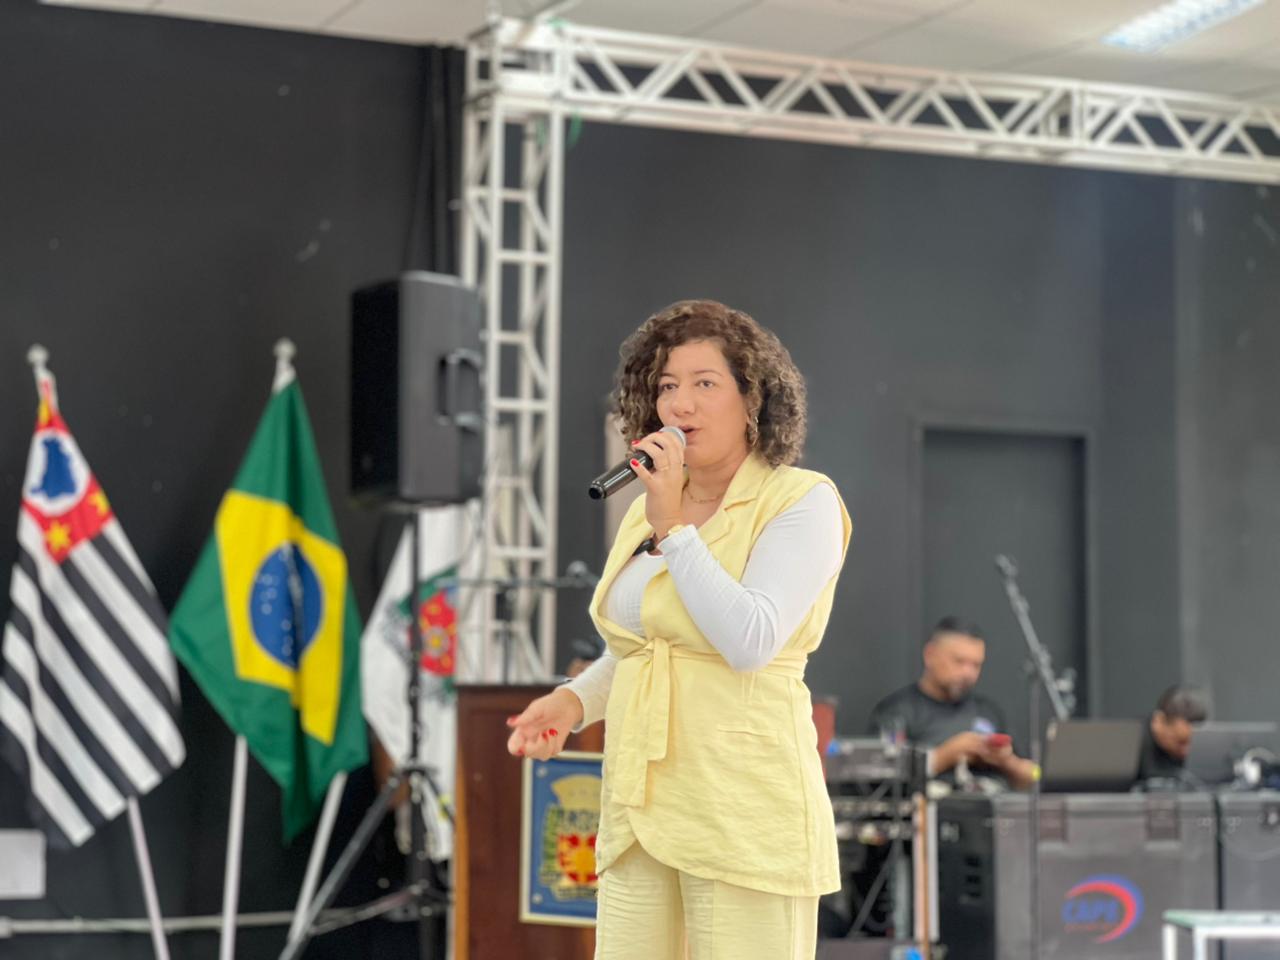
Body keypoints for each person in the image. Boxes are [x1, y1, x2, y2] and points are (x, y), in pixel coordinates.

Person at [506, 299, 851, 959]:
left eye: (704, 383)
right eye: (667, 386)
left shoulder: (801, 500)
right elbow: (648, 647)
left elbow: (749, 640)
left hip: (741, 809)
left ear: (753, 399)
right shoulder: (648, 512)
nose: (680, 403)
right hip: (640, 810)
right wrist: (573, 701)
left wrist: (674, 527)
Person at [867, 617, 1037, 789]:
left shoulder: (989, 712)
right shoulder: (897, 712)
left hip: (989, 801)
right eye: (959, 661)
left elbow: (1035, 775)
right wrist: (944, 756)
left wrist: (1006, 761)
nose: (968, 673)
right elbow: (879, 780)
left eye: (976, 665)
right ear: (930, 655)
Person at [1137, 684, 1210, 783]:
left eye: (1194, 742)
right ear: (1159, 721)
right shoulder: (1131, 744)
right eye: (1180, 742)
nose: (1187, 751)